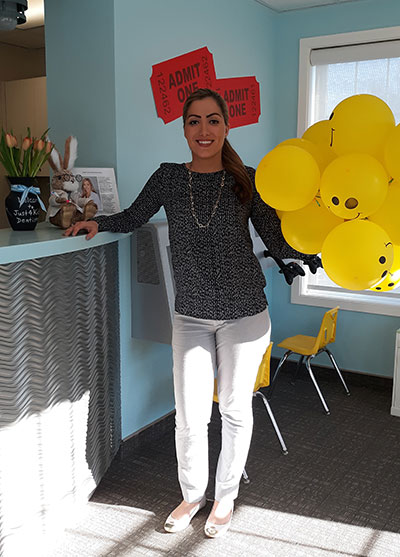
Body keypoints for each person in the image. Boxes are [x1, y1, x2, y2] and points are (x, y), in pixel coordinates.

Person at [64, 88, 317, 538]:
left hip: (245, 313)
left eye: (213, 120)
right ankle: (192, 496)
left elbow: (275, 239)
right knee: (190, 416)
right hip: (192, 316)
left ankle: (225, 498)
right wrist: (97, 223)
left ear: (226, 127)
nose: (204, 130)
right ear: (184, 129)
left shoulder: (247, 180)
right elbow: (133, 216)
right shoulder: (168, 178)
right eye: (195, 121)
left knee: (234, 409)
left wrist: (310, 249)